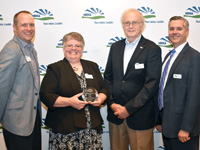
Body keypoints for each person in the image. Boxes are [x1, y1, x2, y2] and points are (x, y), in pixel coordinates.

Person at [104, 8, 162, 150]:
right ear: (123, 26)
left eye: (135, 22)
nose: (130, 26)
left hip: (140, 116)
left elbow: (151, 84)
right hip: (116, 115)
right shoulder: (115, 47)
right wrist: (111, 103)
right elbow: (108, 78)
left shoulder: (152, 49)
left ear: (142, 25)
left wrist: (129, 109)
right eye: (127, 23)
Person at [40, 32, 108, 150]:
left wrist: (101, 98)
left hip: (91, 130)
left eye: (77, 46)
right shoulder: (55, 69)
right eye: (69, 45)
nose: (73, 49)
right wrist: (70, 102)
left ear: (82, 49)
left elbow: (104, 88)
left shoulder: (92, 66)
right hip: (65, 131)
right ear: (63, 48)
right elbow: (46, 95)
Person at [156, 16, 200, 150]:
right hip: (167, 126)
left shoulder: (194, 57)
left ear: (186, 31)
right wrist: (159, 120)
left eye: (179, 28)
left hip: (183, 130)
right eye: (171, 28)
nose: (174, 32)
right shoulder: (169, 56)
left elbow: (195, 96)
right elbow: (163, 89)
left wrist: (186, 128)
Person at [0, 11, 41, 150]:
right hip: (17, 123)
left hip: (31, 119)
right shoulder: (11, 50)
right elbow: (1, 87)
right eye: (24, 25)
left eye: (31, 24)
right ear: (14, 27)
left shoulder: (31, 50)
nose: (29, 28)